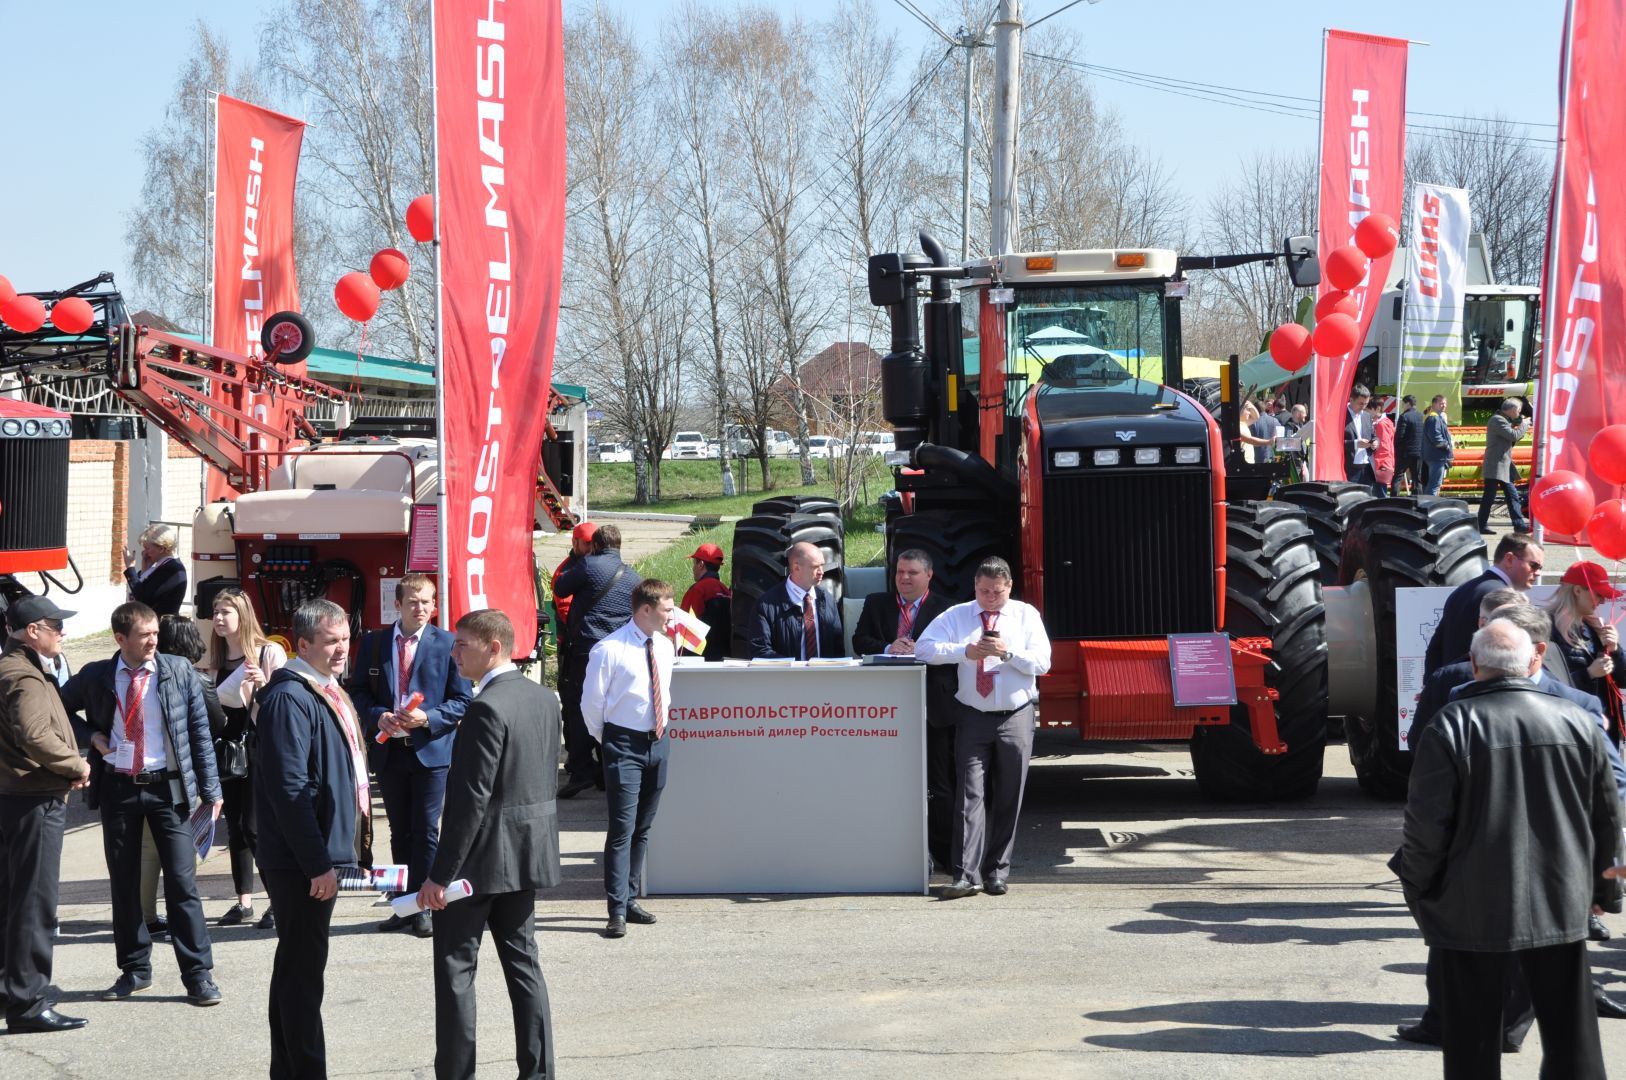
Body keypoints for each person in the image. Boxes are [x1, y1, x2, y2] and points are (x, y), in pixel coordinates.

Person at [1395, 619, 1620, 1079]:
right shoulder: (1579, 721)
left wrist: (1419, 888)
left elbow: (1425, 828)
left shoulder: (1452, 725)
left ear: (1474, 665)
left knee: (1473, 1041)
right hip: (1562, 901)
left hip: (1472, 904)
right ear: (1533, 659)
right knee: (1572, 1034)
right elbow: (1608, 818)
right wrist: (1605, 890)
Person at [417, 608, 559, 1080]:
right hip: (523, 855)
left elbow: (468, 800)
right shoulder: (543, 698)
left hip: (477, 865)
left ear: (493, 647)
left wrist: (440, 874)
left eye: (462, 645)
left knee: (456, 971)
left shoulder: (485, 707)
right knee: (524, 966)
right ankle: (538, 1073)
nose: (454, 653)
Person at [59, 601, 223, 1006]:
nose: (154, 641)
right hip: (120, 788)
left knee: (183, 884)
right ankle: (134, 970)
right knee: (125, 883)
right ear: (121, 639)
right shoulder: (98, 674)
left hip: (169, 791)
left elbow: (200, 730)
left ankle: (198, 975)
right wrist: (92, 737)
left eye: (155, 633)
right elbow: (58, 707)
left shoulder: (177, 670)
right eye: (144, 635)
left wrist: (212, 790)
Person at [255, 599, 370, 1080]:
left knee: (296, 966)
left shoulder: (324, 688)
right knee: (303, 974)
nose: (341, 648)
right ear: (302, 644)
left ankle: (288, 1068)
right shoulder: (290, 697)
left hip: (316, 855)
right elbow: (290, 789)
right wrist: (317, 863)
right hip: (302, 861)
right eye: (330, 641)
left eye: (345, 638)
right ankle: (304, 1070)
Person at [914, 557, 1051, 898]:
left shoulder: (1025, 615)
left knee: (1008, 795)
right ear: (974, 586)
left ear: (1009, 588)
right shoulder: (958, 614)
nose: (990, 598)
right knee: (968, 794)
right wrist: (965, 652)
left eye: (997, 592)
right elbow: (923, 648)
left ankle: (996, 872)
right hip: (973, 715)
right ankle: (964, 874)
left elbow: (1043, 663)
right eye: (984, 591)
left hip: (1015, 714)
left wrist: (1008, 654)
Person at [347, 574, 472, 937]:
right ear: (397, 604)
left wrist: (428, 718)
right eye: (413, 602)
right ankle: (403, 904)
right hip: (390, 752)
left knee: (426, 831)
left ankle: (425, 906)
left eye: (428, 602)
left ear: (435, 606)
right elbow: (357, 691)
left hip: (430, 752)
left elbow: (463, 700)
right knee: (399, 832)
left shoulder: (447, 643)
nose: (421, 608)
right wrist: (376, 715)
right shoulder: (373, 643)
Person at [0, 596, 91, 1033]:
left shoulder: (14, 668)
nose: (63, 631)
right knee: (34, 904)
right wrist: (76, 765)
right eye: (55, 624)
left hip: (17, 797)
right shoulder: (24, 675)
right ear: (32, 630)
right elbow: (35, 734)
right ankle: (29, 1003)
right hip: (34, 801)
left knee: (12, 901)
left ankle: (11, 990)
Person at [851, 550, 957, 870]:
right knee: (890, 782)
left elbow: (955, 651)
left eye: (912, 573)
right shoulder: (876, 603)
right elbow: (860, 640)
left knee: (941, 784)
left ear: (929, 576)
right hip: (887, 709)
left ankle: (946, 853)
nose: (904, 578)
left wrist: (922, 649)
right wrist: (888, 647)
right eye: (899, 572)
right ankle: (890, 851)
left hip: (935, 708)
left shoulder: (947, 609)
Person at [582, 579, 675, 939]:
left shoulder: (664, 646)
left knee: (643, 827)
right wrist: (607, 740)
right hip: (623, 743)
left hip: (658, 742)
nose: (672, 615)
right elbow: (591, 704)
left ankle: (631, 898)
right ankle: (616, 908)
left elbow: (663, 692)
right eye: (667, 608)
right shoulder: (610, 649)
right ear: (646, 609)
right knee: (622, 828)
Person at [141, 615, 226, 938]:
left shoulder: (151, 678)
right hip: (186, 779)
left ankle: (146, 915)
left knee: (148, 851)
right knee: (182, 856)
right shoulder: (197, 679)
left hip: (155, 776)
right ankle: (183, 921)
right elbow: (215, 725)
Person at [206, 589, 286, 930]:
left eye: (225, 611)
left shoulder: (268, 652)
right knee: (235, 827)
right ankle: (244, 902)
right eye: (215, 611)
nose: (219, 618)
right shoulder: (216, 658)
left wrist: (264, 684)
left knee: (255, 828)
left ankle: (280, 900)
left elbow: (286, 705)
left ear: (243, 615)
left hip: (258, 748)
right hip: (226, 750)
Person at [555, 523, 638, 798]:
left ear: (597, 545)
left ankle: (580, 771)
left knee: (580, 708)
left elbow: (560, 586)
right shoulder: (633, 576)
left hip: (587, 651)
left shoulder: (588, 566)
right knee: (612, 710)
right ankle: (606, 772)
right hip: (620, 653)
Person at [1423, 533, 1543, 674]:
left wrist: (1431, 685)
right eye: (1533, 565)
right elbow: (1506, 652)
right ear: (1509, 559)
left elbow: (1436, 645)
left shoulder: (1464, 588)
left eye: (1540, 568)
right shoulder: (1503, 597)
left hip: (1454, 684)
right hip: (1479, 685)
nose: (1538, 573)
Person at [1545, 562, 1626, 734]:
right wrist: (1589, 674)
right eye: (1598, 594)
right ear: (1577, 590)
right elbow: (1545, 685)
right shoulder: (1545, 629)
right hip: (1570, 730)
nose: (1603, 601)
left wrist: (1615, 650)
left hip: (1602, 730)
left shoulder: (1595, 628)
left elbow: (1623, 680)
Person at [746, 541, 844, 660]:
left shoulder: (827, 600)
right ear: (796, 567)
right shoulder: (766, 605)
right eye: (815, 567)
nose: (821, 572)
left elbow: (838, 648)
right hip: (785, 677)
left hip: (823, 676)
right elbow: (760, 651)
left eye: (822, 565)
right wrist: (794, 670)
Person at [1478, 398, 1531, 534]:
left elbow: (1512, 435)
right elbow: (1513, 435)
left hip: (1501, 465)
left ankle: (1518, 524)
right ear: (1512, 409)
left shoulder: (1502, 420)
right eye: (1518, 410)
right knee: (1491, 497)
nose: (1519, 413)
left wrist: (1519, 424)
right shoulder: (1497, 420)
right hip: (1496, 465)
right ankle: (1481, 525)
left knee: (1510, 496)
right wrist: (1524, 425)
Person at [678, 543, 732, 661]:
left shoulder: (698, 590)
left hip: (701, 660)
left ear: (701, 564)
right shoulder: (726, 591)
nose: (693, 568)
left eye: (694, 564)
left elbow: (683, 627)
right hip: (725, 657)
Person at [122, 523, 187, 617]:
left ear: (161, 548)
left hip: (162, 626)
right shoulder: (161, 565)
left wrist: (130, 568)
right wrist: (145, 569)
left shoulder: (172, 569)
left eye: (147, 548)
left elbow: (143, 598)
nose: (145, 553)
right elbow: (142, 589)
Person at [549, 521, 597, 646]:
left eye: (594, 543)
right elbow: (566, 612)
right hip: (572, 639)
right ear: (574, 542)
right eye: (587, 543)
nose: (591, 548)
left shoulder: (596, 563)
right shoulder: (564, 573)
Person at [1343, 384, 1377, 488]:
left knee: (1367, 502)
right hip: (1350, 468)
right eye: (1360, 403)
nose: (1363, 407)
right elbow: (1335, 442)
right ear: (1351, 399)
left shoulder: (1367, 416)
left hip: (1367, 467)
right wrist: (1356, 444)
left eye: (1366, 404)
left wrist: (1375, 442)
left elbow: (1373, 436)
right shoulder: (1342, 416)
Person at [1421, 394, 1455, 497]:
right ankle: (1429, 507)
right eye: (1441, 403)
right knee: (1434, 485)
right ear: (1434, 404)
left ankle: (1426, 506)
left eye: (1445, 403)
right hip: (1437, 456)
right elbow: (1436, 438)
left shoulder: (1436, 418)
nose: (1444, 405)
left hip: (1434, 455)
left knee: (1433, 484)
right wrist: (1447, 446)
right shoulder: (1434, 419)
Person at [1392, 395, 1423, 495]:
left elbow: (1399, 436)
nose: (1402, 406)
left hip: (1405, 453)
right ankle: (1418, 501)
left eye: (1403, 404)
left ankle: (1393, 502)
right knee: (1417, 478)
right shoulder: (1421, 416)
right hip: (1418, 453)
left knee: (1398, 477)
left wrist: (1397, 449)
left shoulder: (1404, 416)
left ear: (1408, 404)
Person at [1369, 399, 1395, 497]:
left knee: (1380, 495)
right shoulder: (1387, 422)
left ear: (1377, 409)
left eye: (1369, 409)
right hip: (1385, 462)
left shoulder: (1381, 424)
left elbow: (1383, 447)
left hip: (1381, 464)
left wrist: (1377, 465)